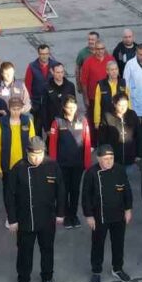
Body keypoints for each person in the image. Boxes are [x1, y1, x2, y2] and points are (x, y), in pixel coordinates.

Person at [4, 137, 65, 282]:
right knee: (25, 252)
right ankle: (23, 281)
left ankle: (48, 276)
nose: (36, 158)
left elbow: (61, 191)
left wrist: (60, 213)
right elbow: (9, 195)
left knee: (47, 249)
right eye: (33, 155)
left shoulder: (52, 165)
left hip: (47, 218)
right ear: (27, 153)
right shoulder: (18, 168)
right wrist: (12, 219)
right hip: (25, 220)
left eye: (40, 155)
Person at [82, 145, 134, 282]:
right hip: (100, 216)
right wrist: (89, 216)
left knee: (118, 243)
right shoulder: (91, 173)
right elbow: (85, 196)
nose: (109, 161)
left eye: (111, 158)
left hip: (118, 214)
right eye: (105, 159)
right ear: (98, 159)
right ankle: (96, 271)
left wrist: (128, 209)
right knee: (98, 244)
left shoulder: (119, 170)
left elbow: (127, 190)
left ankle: (117, 268)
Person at [47, 96, 92, 229]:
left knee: (75, 190)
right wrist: (54, 164)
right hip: (62, 165)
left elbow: (87, 142)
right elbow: (53, 145)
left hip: (78, 164)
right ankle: (65, 215)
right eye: (68, 107)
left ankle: (73, 215)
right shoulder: (57, 122)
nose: (71, 110)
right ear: (64, 108)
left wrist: (87, 163)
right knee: (63, 190)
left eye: (73, 107)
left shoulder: (83, 121)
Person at [0, 96, 37, 187]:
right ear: (9, 109)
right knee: (8, 193)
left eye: (18, 109)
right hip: (7, 166)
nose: (16, 112)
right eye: (13, 109)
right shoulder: (0, 123)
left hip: (24, 165)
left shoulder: (27, 121)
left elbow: (33, 143)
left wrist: (33, 162)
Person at [98, 94, 142, 167]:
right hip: (114, 157)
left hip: (130, 156)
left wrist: (139, 154)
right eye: (120, 105)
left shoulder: (132, 114)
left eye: (125, 105)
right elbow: (102, 138)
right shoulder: (107, 116)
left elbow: (139, 135)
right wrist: (104, 154)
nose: (123, 108)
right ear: (114, 104)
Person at [24, 44, 59, 131]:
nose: (44, 56)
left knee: (52, 128)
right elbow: (27, 85)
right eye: (42, 54)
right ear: (38, 54)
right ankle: (38, 144)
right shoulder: (32, 66)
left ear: (49, 53)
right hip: (37, 103)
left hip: (52, 102)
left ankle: (50, 144)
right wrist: (30, 101)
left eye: (46, 53)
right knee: (37, 128)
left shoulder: (55, 65)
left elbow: (60, 81)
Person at [80, 40, 113, 118]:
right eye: (98, 49)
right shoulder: (88, 62)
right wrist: (85, 98)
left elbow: (115, 77)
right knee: (94, 119)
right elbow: (84, 81)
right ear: (94, 50)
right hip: (93, 97)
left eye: (102, 48)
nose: (100, 51)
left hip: (108, 96)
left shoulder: (111, 59)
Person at [92, 60, 127, 128]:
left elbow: (128, 102)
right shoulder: (101, 85)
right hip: (106, 120)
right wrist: (97, 121)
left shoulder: (123, 83)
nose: (114, 71)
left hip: (120, 119)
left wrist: (128, 117)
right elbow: (97, 104)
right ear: (107, 71)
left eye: (116, 69)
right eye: (112, 70)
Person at [43, 63, 78, 129]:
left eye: (62, 72)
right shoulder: (46, 87)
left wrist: (75, 120)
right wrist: (46, 128)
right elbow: (44, 108)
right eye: (58, 72)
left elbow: (74, 104)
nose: (60, 75)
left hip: (67, 123)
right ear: (52, 72)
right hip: (52, 123)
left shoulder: (70, 86)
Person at [75, 31, 100, 106]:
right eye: (89, 39)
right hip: (87, 87)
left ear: (97, 40)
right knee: (89, 106)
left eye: (93, 39)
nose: (90, 41)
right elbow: (77, 69)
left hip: (100, 86)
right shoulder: (82, 53)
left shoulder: (102, 51)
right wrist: (78, 84)